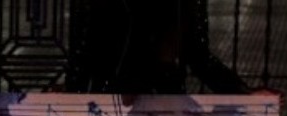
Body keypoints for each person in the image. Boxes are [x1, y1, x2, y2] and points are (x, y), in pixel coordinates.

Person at [69, 0, 274, 96]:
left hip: (162, 98)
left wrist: (243, 92)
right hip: (111, 97)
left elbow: (199, 57)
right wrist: (69, 96)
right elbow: (83, 55)